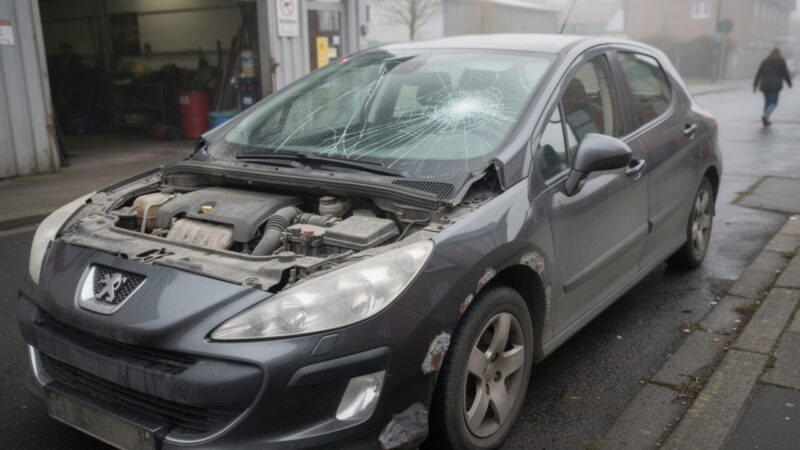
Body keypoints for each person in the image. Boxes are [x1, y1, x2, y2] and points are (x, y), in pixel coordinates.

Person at [753, 48, 792, 126]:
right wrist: (789, 83)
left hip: (765, 84)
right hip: (775, 85)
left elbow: (759, 73)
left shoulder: (765, 61)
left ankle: (766, 119)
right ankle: (766, 115)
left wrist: (755, 85)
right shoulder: (781, 61)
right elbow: (785, 73)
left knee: (767, 103)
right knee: (773, 103)